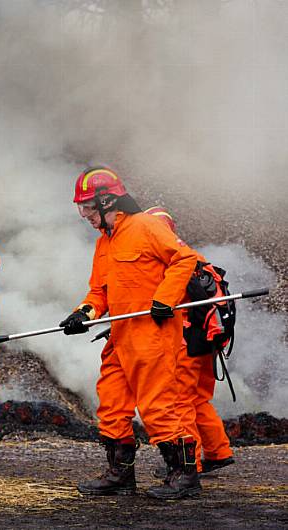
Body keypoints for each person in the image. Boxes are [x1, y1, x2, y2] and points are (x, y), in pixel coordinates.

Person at [60, 166, 201, 499]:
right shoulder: (103, 245)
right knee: (111, 405)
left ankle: (184, 476)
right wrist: (83, 313)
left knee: (158, 406)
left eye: (88, 207)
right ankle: (120, 476)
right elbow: (100, 293)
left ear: (107, 200)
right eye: (81, 208)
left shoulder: (147, 227)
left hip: (152, 334)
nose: (84, 215)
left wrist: (165, 299)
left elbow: (184, 259)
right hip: (120, 336)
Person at [144, 207, 235, 475]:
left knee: (180, 402)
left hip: (184, 344)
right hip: (207, 344)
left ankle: (189, 464)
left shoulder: (169, 263)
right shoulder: (195, 258)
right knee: (198, 400)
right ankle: (218, 452)